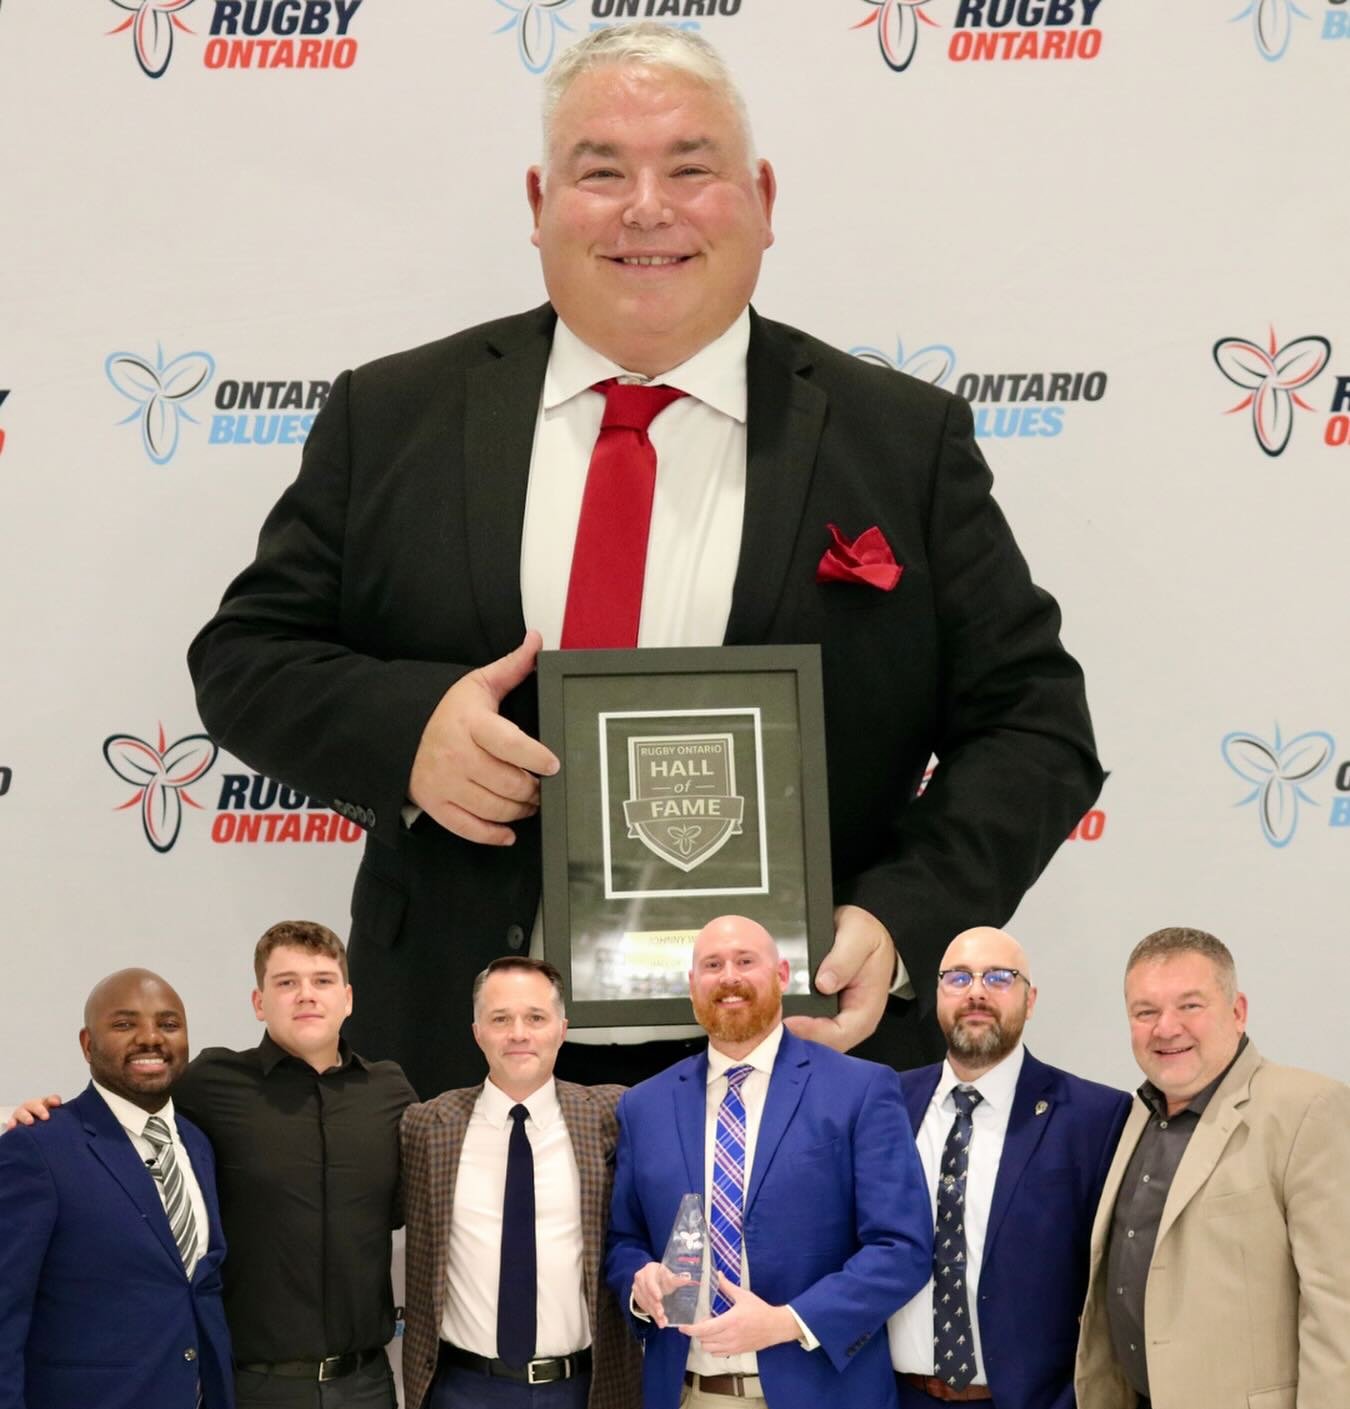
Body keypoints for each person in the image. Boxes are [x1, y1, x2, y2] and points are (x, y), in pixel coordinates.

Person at [185, 22, 1102, 1102]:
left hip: (794, 1057)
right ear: (538, 203)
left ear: (761, 197)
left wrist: (898, 921)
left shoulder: (902, 442)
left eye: (690, 167)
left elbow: (1036, 726)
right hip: (460, 1050)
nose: (647, 207)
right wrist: (411, 731)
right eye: (602, 170)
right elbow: (245, 658)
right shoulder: (393, 417)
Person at [10, 921, 415, 1409]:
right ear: (259, 1000)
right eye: (288, 982)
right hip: (253, 1400)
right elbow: (119, 1103)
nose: (307, 995)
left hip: (363, 1395)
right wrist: (42, 1114)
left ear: (349, 995)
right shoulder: (209, 1088)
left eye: (322, 980)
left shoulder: (393, 1091)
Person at [606, 915, 932, 1409]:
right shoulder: (647, 1106)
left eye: (745, 960)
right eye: (711, 963)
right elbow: (623, 1239)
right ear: (690, 986)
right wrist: (640, 1281)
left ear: (780, 975)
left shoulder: (858, 1089)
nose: (728, 976)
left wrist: (788, 1321)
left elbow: (902, 1248)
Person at [1075, 927, 1350, 1409]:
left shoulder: (1307, 1108)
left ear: (1237, 1007)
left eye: (1189, 1004)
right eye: (1145, 1011)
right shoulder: (1137, 1119)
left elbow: (1342, 1303)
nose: (1166, 1028)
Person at [876, 926, 1131, 1409]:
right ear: (936, 994)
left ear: (1029, 997)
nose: (977, 992)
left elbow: (1115, 1279)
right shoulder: (885, 1102)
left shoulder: (1094, 1115)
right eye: (958, 976)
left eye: (998, 976)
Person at [399, 955, 641, 1409]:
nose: (519, 1033)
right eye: (501, 1018)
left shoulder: (613, 1115)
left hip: (583, 1403)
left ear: (563, 1028)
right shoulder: (425, 1126)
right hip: (471, 1401)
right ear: (477, 1032)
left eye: (535, 1017)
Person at [0, 970, 241, 1409]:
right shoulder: (38, 1147)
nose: (149, 1038)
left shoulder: (195, 1144)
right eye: (125, 1023)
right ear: (86, 1042)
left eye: (167, 1022)